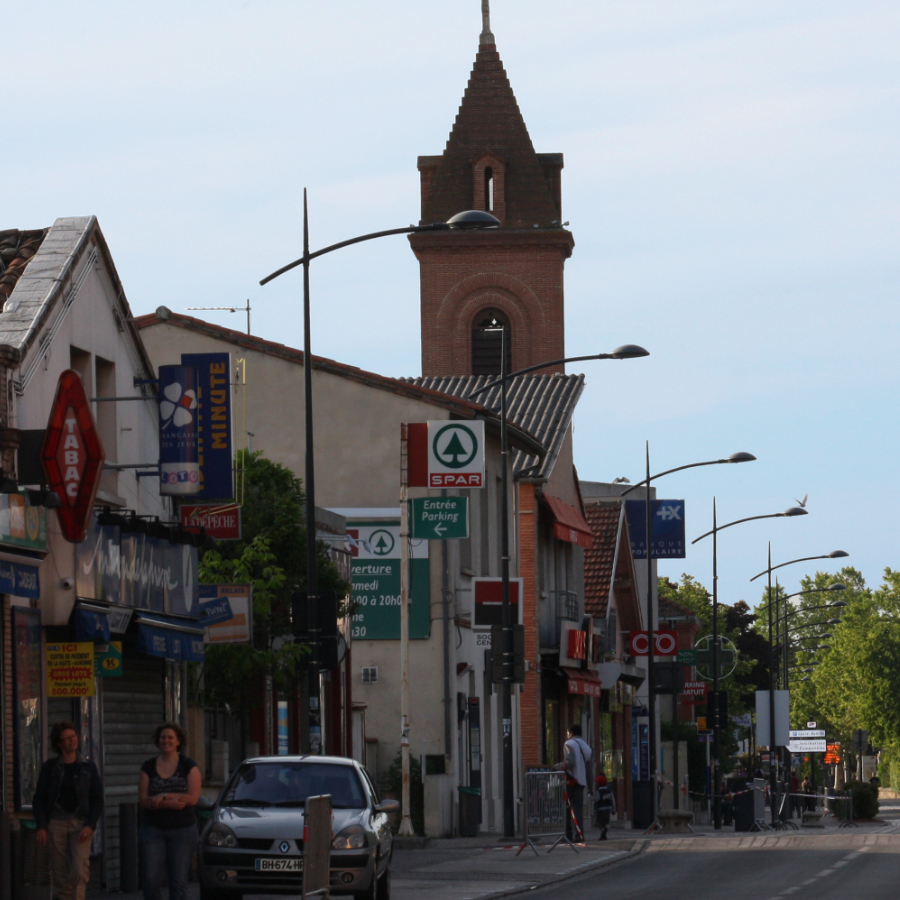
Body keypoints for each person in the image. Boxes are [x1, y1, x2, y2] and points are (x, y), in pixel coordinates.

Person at [32, 721, 103, 900]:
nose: (72, 741)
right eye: (67, 738)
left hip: (80, 823)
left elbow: (97, 799)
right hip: (56, 823)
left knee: (80, 869)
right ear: (59, 744)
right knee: (60, 872)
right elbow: (39, 798)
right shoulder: (49, 768)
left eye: (74, 737)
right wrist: (41, 825)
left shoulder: (88, 767)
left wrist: (90, 825)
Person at [138, 722, 202, 900]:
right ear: (158, 741)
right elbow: (144, 800)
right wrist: (169, 803)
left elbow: (192, 798)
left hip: (182, 830)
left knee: (178, 882)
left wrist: (163, 795)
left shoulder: (189, 765)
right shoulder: (148, 766)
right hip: (153, 829)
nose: (166, 741)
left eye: (170, 738)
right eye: (162, 737)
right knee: (150, 879)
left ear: (178, 741)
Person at [559, 724, 592, 843]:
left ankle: (567, 834)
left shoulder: (569, 744)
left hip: (570, 780)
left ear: (571, 733)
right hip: (581, 781)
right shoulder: (586, 747)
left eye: (568, 733)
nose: (567, 736)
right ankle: (579, 834)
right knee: (578, 809)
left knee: (567, 808)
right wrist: (590, 785)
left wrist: (557, 766)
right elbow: (588, 767)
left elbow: (569, 762)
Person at [592, 774, 616, 840]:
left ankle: (603, 829)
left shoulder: (599, 792)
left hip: (600, 809)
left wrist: (591, 797)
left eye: (596, 783)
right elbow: (613, 800)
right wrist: (613, 809)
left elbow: (597, 799)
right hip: (608, 809)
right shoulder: (609, 791)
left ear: (599, 784)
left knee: (597, 823)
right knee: (605, 822)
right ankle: (603, 836)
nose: (595, 785)